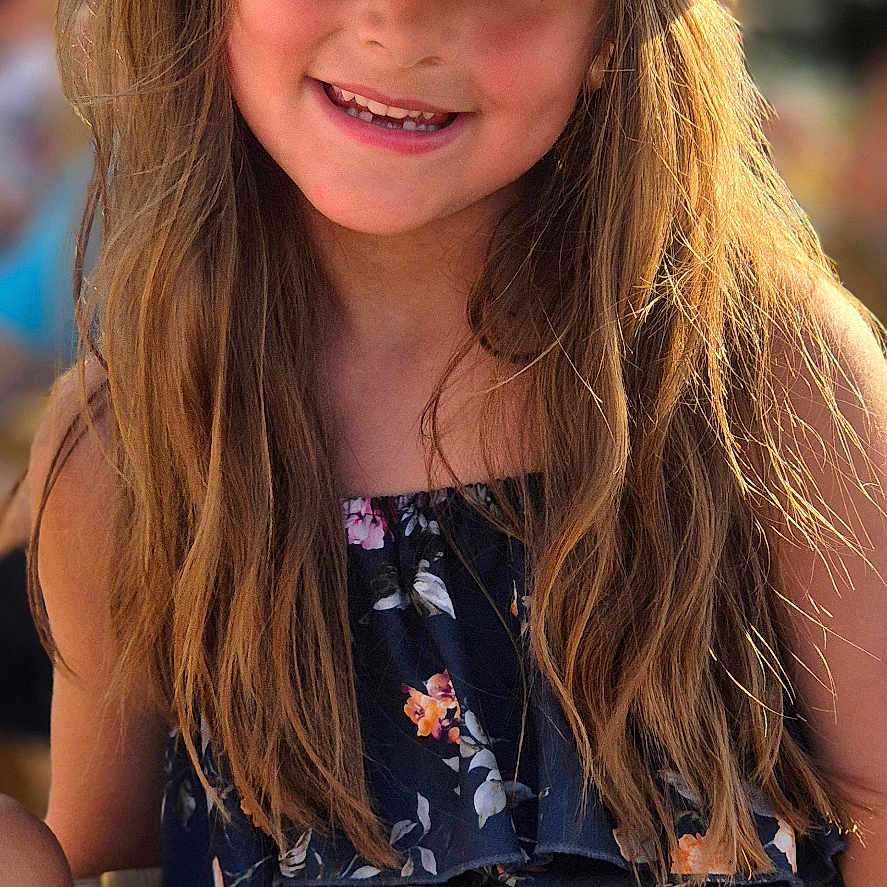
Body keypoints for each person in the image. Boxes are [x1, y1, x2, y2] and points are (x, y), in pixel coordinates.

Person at [7, 0, 887, 885]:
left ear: (614, 32)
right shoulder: (126, 448)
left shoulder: (760, 371)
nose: (396, 20)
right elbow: (108, 856)